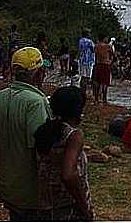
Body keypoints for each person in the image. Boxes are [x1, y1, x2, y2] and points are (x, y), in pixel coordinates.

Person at [0, 47, 53, 220]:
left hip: (8, 187)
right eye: (43, 69)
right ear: (39, 73)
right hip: (32, 193)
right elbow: (41, 152)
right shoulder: (36, 103)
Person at [34, 86, 94, 221]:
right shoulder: (73, 136)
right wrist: (84, 206)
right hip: (68, 207)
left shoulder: (44, 131)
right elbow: (68, 174)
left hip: (45, 204)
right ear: (77, 111)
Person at [93, 35, 114, 104]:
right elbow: (112, 55)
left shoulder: (96, 46)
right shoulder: (108, 46)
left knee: (97, 82)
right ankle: (104, 99)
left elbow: (95, 55)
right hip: (106, 65)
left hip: (98, 64)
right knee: (105, 83)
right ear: (104, 38)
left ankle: (96, 99)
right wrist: (110, 61)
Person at [77, 30, 95, 101]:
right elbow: (93, 50)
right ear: (87, 34)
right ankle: (84, 94)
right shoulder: (90, 41)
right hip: (88, 61)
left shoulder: (80, 40)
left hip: (81, 60)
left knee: (82, 77)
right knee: (87, 78)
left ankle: (81, 92)